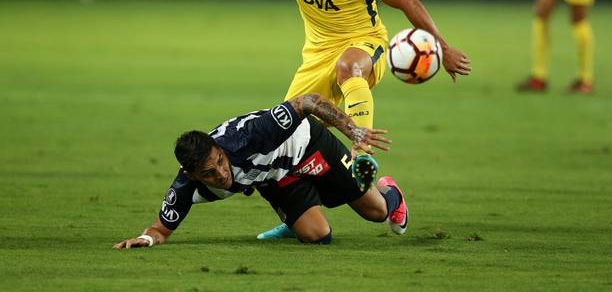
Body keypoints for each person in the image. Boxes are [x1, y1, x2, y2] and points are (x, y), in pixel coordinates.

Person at [211, 0, 470, 239]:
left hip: (365, 43)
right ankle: (305, 214)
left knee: (348, 68)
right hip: (316, 54)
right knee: (284, 140)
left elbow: (406, 0)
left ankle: (361, 154)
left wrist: (443, 46)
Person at [113, 93, 407, 248]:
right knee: (318, 237)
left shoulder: (251, 135)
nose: (221, 174)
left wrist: (353, 131)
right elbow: (161, 229)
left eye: (219, 161)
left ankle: (389, 190)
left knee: (376, 213)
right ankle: (299, 216)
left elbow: (310, 101)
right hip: (274, 178)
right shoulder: (185, 187)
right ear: (192, 175)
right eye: (209, 173)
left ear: (219, 149)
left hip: (307, 145)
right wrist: (147, 238)